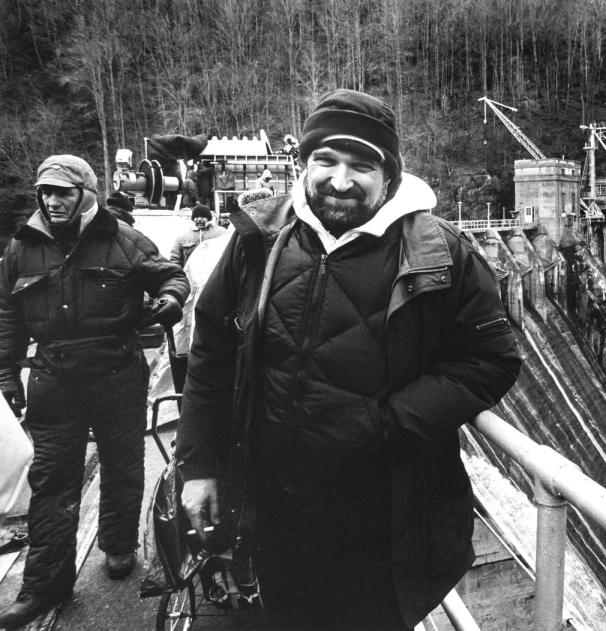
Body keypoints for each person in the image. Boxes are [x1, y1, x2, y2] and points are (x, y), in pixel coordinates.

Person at [176, 88, 520, 630]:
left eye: (361, 164)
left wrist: (386, 422)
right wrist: (199, 467)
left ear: (391, 176)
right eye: (326, 160)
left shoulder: (440, 253)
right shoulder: (258, 240)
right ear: (304, 164)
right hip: (274, 503)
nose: (340, 180)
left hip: (383, 515)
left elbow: (492, 359)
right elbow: (212, 356)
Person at [0, 155, 189, 628]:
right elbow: (7, 317)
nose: (51, 200)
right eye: (46, 191)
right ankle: (44, 586)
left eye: (63, 191)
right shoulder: (20, 250)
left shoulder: (123, 240)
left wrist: (169, 302)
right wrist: (5, 375)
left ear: (86, 193)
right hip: (52, 381)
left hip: (116, 374)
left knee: (123, 465)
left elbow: (171, 274)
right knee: (50, 482)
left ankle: (119, 545)